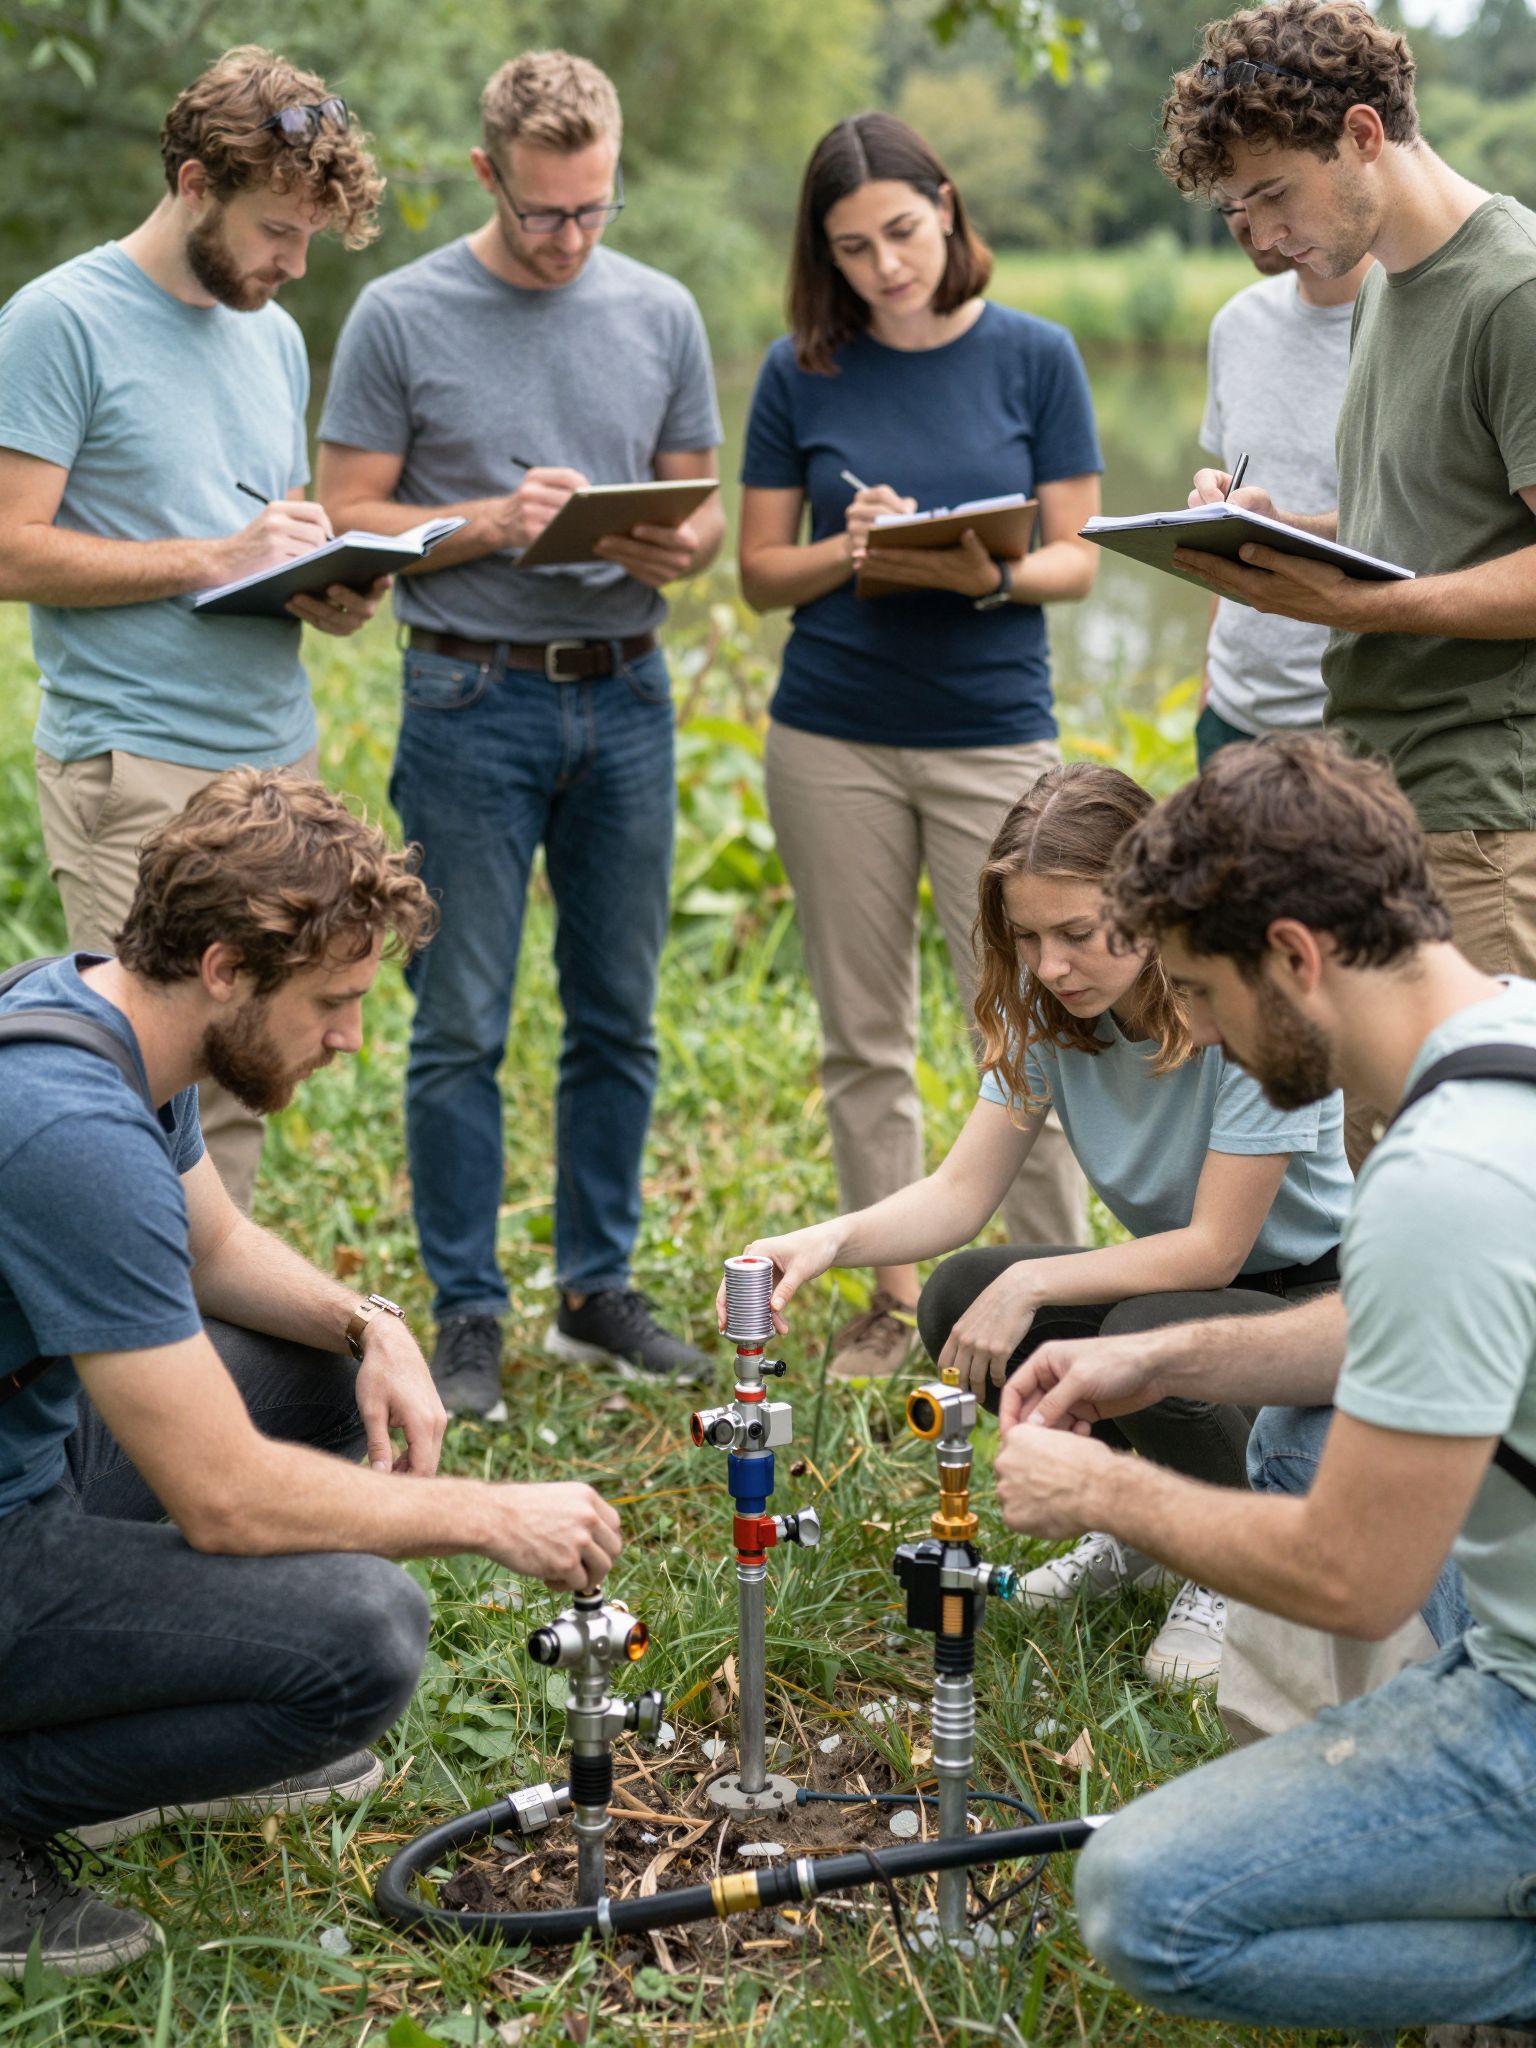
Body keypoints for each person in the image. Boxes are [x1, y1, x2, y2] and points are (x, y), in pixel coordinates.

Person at [0, 769, 624, 1979]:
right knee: (364, 1634)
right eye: (331, 1001)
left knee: (321, 1372)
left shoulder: (108, 1018)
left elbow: (217, 1248)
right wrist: (491, 1514)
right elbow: (225, 1497)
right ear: (226, 967)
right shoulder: (67, 1128)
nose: (349, 1038)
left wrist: (370, 1322)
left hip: (32, 1458)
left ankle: (146, 1695)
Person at [993, 734, 1536, 2035]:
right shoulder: (1507, 1038)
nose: (1215, 1040)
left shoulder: (1440, 1175)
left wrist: (1108, 1495)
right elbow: (1406, 1329)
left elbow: (1354, 1576)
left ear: (1294, 955)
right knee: (1297, 1428)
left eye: (1203, 990)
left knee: (1143, 1900)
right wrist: (1164, 1354)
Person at [725, 760, 1351, 1684]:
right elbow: (957, 1196)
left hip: (1317, 1308)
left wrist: (1036, 1281)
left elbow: (1216, 1248)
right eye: (1025, 936)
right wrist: (830, 1241)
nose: (1051, 965)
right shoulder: (1052, 1014)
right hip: (1186, 1288)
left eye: (1078, 933)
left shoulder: (1248, 1011)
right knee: (958, 1294)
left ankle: (1237, 1560)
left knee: (1133, 1331)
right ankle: (1139, 1526)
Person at [316, 50, 724, 1419]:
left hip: (628, 686)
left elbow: (700, 507)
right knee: (459, 1022)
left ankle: (598, 1294)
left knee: (618, 1010)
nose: (569, 241)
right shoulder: (399, 312)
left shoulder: (659, 311)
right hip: (466, 692)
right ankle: (469, 1317)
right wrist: (481, 525)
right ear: (490, 174)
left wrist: (681, 547)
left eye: (594, 210)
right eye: (545, 212)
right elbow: (348, 517)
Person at [737, 113, 1102, 1381]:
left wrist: (978, 565)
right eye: (852, 247)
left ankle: (1059, 1295)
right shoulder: (802, 373)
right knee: (863, 1035)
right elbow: (758, 575)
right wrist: (857, 547)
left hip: (994, 736)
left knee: (1031, 1024)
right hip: (831, 733)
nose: (884, 264)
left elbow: (1079, 555)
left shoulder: (1037, 355)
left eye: (900, 230)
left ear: (946, 208)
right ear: (822, 256)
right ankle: (891, 1304)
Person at [0, 46, 390, 1211]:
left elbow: (250, 535)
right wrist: (217, 557)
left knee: (245, 1072)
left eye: (309, 238)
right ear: (190, 183)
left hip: (275, 760)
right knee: (140, 1091)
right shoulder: (57, 321)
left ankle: (218, 1362)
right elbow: (10, 546)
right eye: (278, 230)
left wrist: (325, 580)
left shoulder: (268, 333)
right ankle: (124, 1375)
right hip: (140, 764)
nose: (291, 262)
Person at [1161, 0, 1536, 1157]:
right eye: (1239, 211)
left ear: (1364, 134)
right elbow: (1428, 524)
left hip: (1482, 814)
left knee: (1489, 1174)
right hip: (1373, 802)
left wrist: (1357, 605)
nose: (1263, 239)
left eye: (1274, 195)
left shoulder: (1511, 292)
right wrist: (1287, 532)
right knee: (1391, 1153)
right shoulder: (1381, 281)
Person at [1195, 194, 1371, 765]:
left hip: (1355, 728)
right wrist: (1208, 692)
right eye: (1225, 201)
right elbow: (1230, 526)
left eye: (1261, 193)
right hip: (1231, 720)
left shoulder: (1420, 323)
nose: (1243, 221)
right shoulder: (1236, 324)